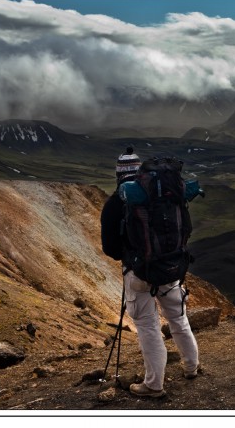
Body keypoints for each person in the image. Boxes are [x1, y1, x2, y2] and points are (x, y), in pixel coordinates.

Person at [100, 147, 200, 398]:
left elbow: (110, 249)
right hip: (171, 267)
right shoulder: (165, 195)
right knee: (178, 318)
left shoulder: (115, 203)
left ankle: (154, 385)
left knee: (148, 326)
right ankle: (192, 367)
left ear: (119, 175)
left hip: (139, 272)